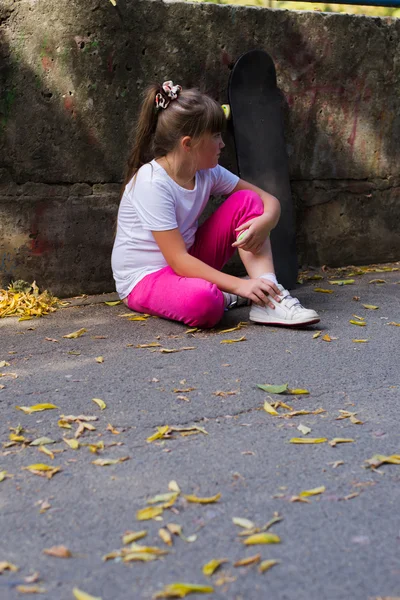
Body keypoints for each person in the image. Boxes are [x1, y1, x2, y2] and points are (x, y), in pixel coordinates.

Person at [111, 81, 320, 329]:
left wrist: (268, 220)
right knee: (205, 304)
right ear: (188, 144)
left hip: (187, 261)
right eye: (216, 136)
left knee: (248, 201)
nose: (222, 144)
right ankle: (236, 295)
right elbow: (177, 260)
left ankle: (269, 298)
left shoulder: (208, 172)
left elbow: (266, 200)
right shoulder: (153, 182)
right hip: (145, 280)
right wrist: (240, 285)